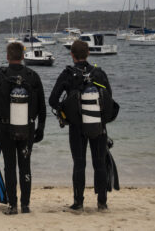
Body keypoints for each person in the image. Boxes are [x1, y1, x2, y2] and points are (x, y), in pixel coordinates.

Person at [49, 40, 112, 212]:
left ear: (72, 55)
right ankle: (102, 203)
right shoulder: (99, 73)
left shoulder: (68, 74)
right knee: (99, 162)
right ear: (88, 53)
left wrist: (65, 112)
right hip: (98, 126)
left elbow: (52, 100)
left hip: (77, 127)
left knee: (79, 163)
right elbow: (109, 100)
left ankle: (78, 202)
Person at [0, 42, 46, 215]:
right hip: (27, 128)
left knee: (10, 166)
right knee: (25, 166)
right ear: (23, 57)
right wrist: (40, 128)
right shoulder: (32, 76)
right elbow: (42, 106)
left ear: (7, 57)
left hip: (5, 128)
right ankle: (25, 205)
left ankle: (13, 205)